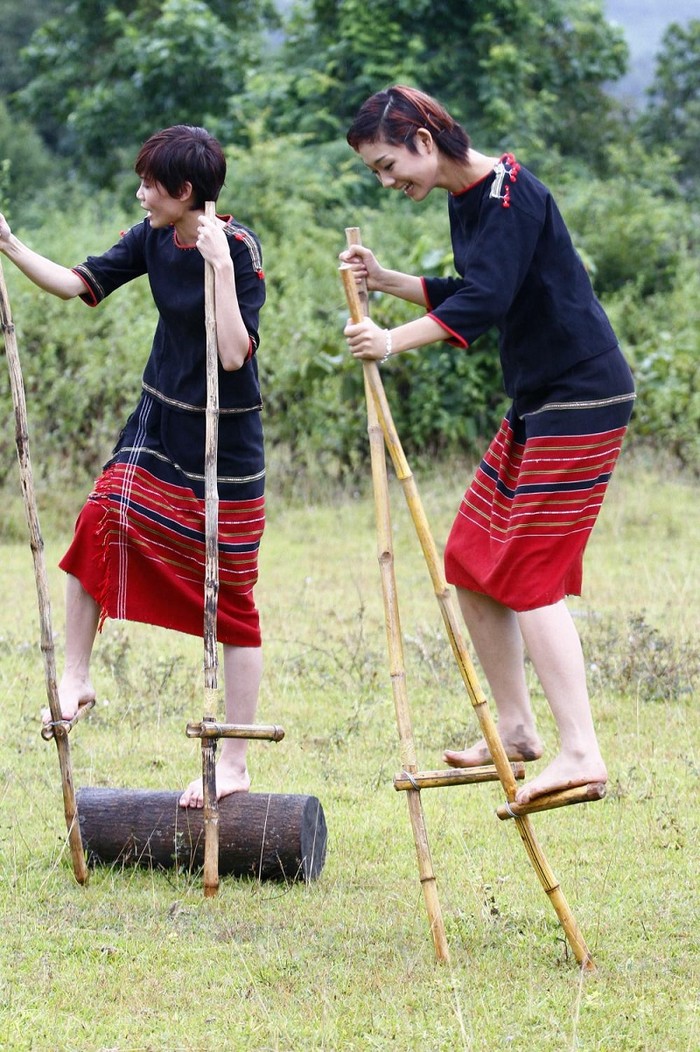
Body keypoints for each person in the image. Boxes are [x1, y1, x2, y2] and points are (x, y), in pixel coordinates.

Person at [340, 85, 635, 805]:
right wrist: (387, 282)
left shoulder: (510, 193)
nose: (388, 182)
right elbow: (474, 286)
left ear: (422, 140)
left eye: (388, 165)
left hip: (583, 393)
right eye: (376, 173)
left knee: (529, 573)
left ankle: (581, 753)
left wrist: (390, 341)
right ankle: (516, 729)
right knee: (470, 557)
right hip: (538, 397)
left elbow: (485, 302)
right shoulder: (467, 197)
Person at [0, 125, 267, 808]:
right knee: (101, 516)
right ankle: (77, 677)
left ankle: (233, 762)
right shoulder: (150, 235)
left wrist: (221, 271)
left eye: (150, 183)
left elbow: (235, 353)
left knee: (231, 599)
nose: (140, 192)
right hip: (159, 417)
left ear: (184, 192)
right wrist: (10, 244)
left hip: (224, 440)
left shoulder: (236, 248)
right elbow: (76, 284)